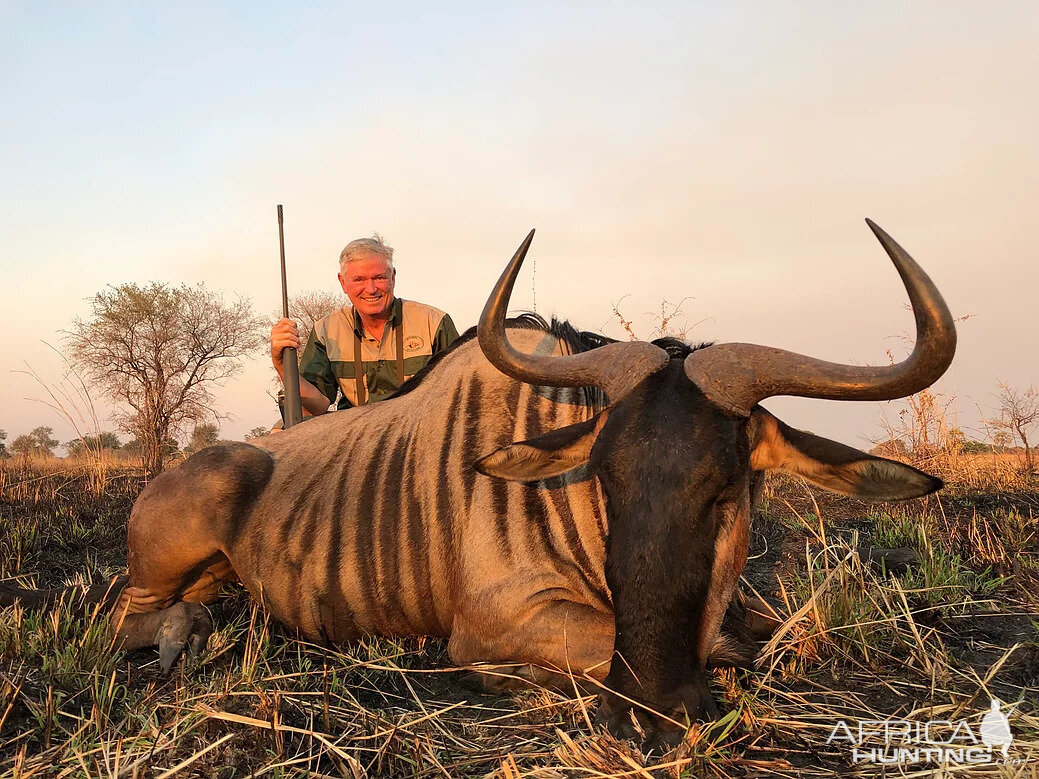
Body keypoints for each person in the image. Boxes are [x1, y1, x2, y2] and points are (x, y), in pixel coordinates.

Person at [270, 234, 458, 416]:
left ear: (392, 277)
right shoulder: (326, 330)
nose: (371, 289)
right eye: (359, 280)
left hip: (419, 431)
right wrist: (281, 364)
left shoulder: (434, 322)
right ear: (343, 283)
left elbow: (460, 391)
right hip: (356, 437)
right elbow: (315, 406)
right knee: (279, 432)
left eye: (379, 278)